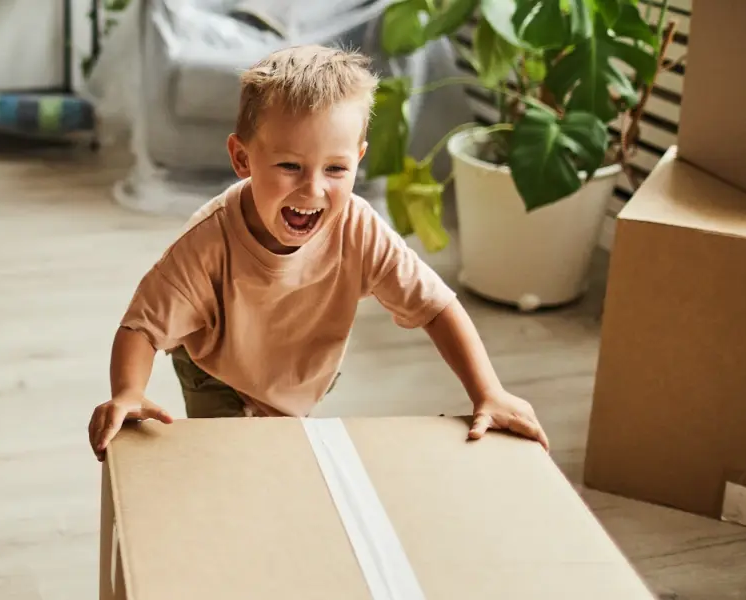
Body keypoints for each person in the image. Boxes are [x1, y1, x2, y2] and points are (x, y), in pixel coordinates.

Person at [87, 44, 549, 461]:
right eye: (289, 166)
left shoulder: (360, 229)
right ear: (242, 159)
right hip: (219, 367)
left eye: (336, 168)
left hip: (299, 364)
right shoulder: (207, 243)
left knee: (285, 445)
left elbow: (436, 306)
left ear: (359, 159)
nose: (312, 189)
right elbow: (141, 327)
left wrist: (488, 391)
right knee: (232, 461)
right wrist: (128, 391)